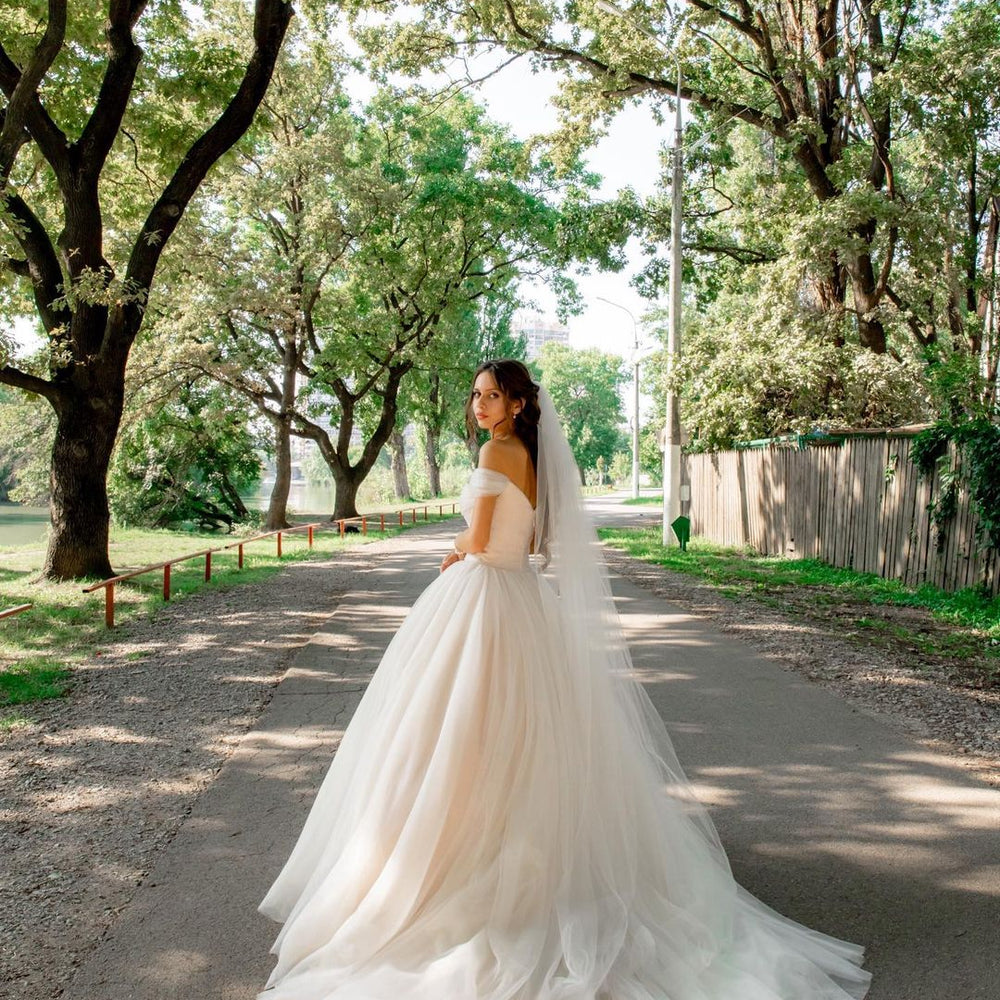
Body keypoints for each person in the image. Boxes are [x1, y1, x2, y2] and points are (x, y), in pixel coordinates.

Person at [257, 359, 872, 1000]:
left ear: (519, 404)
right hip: (522, 596)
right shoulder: (529, 455)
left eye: (492, 397)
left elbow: (484, 538)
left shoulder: (497, 454)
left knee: (457, 731)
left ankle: (454, 858)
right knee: (521, 732)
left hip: (485, 597)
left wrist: (455, 548)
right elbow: (526, 540)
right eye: (476, 396)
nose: (480, 406)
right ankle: (515, 851)